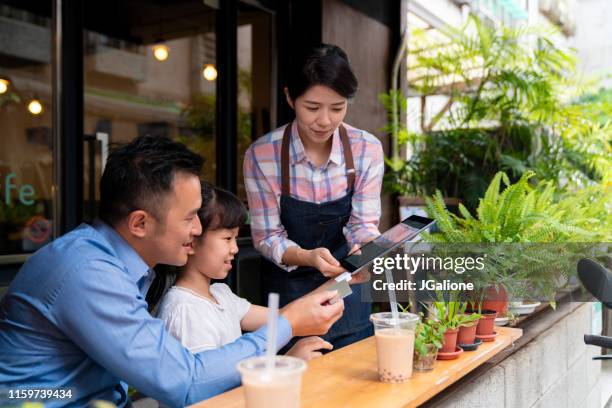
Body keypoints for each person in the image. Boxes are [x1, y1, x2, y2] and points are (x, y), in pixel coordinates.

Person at [0, 135, 344, 407]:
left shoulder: (122, 266)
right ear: (140, 223)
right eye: (190, 216)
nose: (198, 228)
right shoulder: (87, 273)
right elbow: (185, 382)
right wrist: (285, 330)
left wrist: (333, 290)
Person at [244, 43, 384, 349]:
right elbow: (267, 236)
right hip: (288, 293)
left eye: (337, 108)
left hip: (345, 285)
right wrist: (308, 256)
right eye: (312, 107)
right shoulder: (262, 155)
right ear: (289, 97)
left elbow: (363, 225)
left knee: (352, 382)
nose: (325, 120)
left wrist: (369, 252)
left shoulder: (366, 149)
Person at [156, 182, 333, 361]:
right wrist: (288, 361)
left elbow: (285, 316)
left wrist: (347, 281)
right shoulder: (186, 310)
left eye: (235, 238)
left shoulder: (221, 295)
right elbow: (207, 385)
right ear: (191, 240)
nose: (235, 248)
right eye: (227, 238)